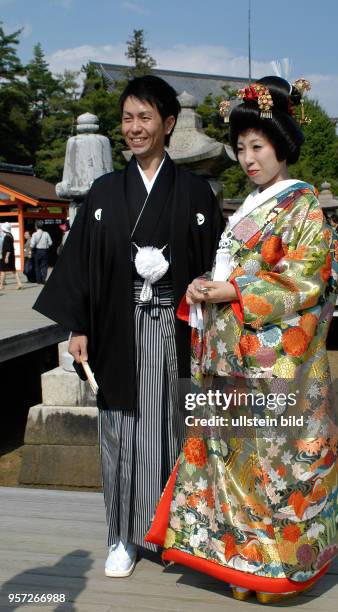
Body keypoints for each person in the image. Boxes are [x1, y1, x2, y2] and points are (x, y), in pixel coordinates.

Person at [146, 76, 338, 603]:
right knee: (230, 455)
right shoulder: (251, 206)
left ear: (281, 145)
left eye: (257, 147)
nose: (247, 159)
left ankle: (279, 567)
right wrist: (205, 289)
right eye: (240, 148)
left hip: (272, 359)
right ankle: (238, 560)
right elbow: (235, 272)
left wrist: (234, 288)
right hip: (230, 350)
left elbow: (309, 277)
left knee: (274, 461)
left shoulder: (302, 205)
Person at [33, 75, 224, 578]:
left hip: (175, 329)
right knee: (120, 430)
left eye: (145, 118)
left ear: (168, 123)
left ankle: (173, 532)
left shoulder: (196, 192)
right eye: (128, 118)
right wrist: (77, 325)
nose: (134, 128)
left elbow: (215, 266)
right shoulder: (103, 192)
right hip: (117, 329)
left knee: (173, 429)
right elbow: (83, 264)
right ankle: (122, 536)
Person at [0, 222, 23, 290]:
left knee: (3, 270)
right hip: (11, 256)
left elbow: (8, 249)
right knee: (13, 270)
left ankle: (1, 285)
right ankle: (19, 283)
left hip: (7, 256)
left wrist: (6, 257)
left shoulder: (7, 237)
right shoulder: (10, 235)